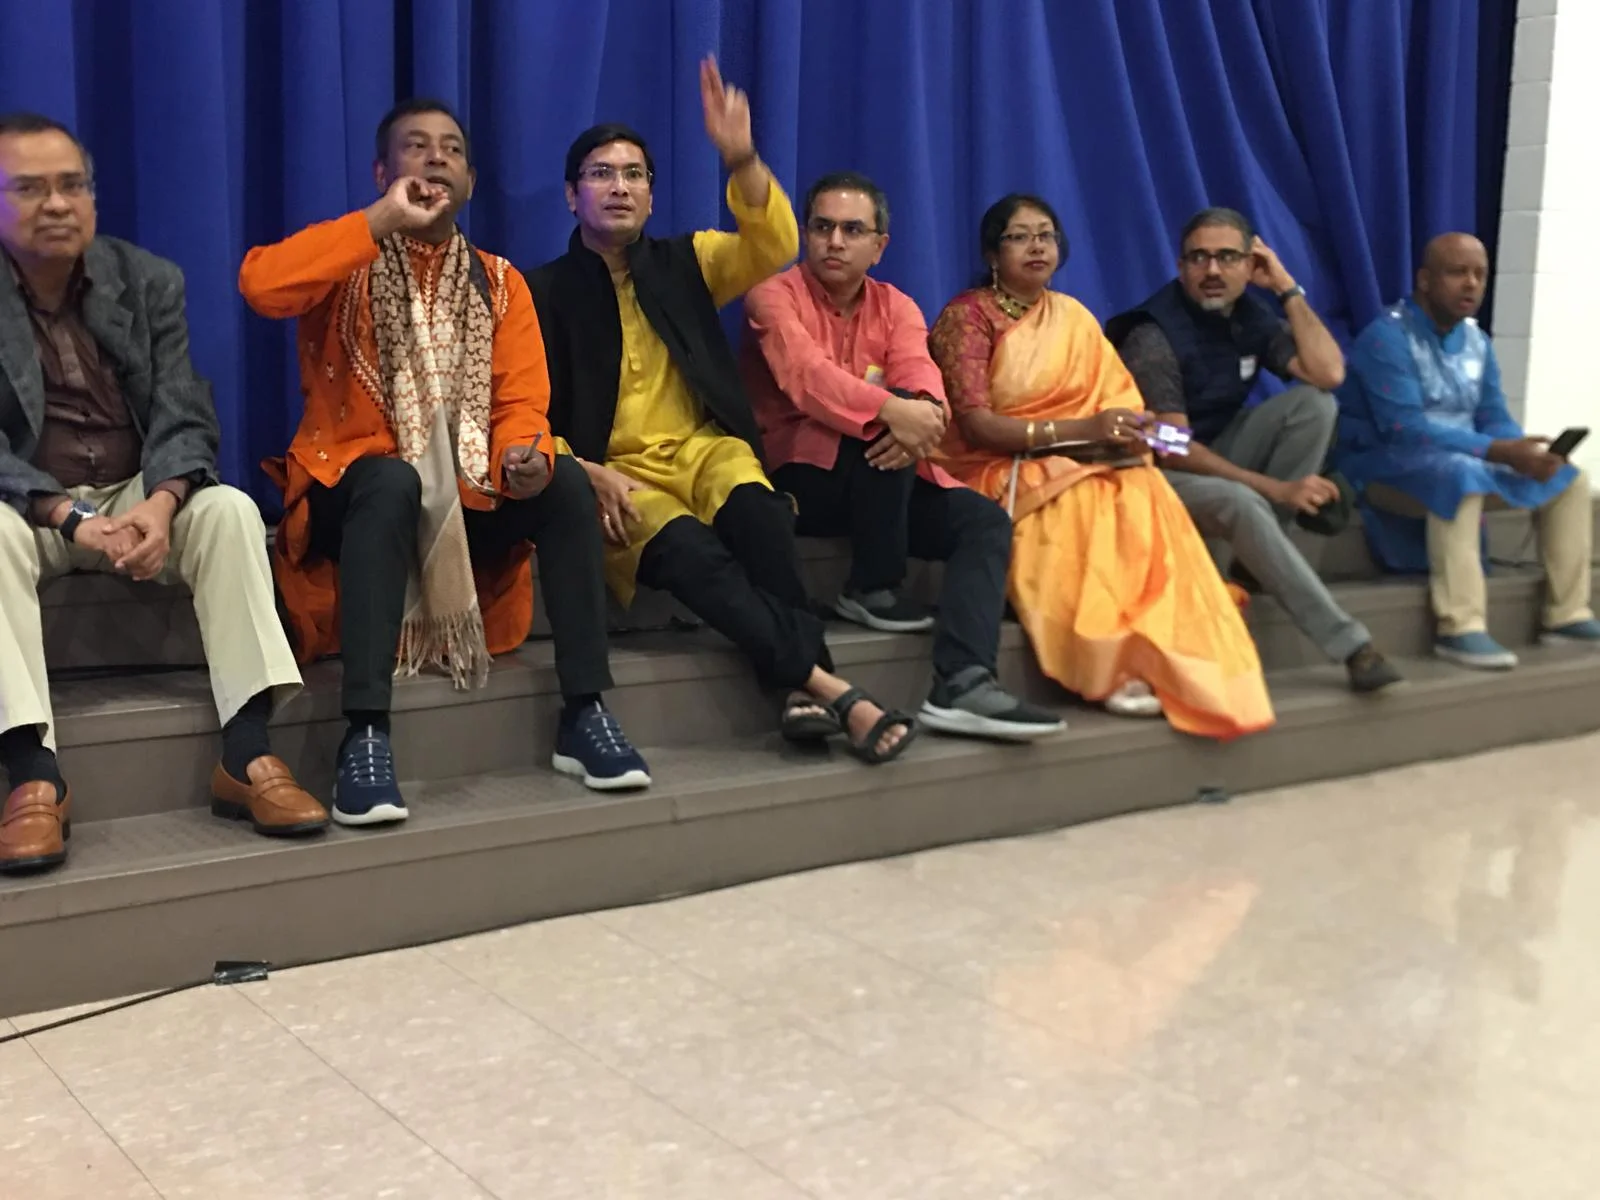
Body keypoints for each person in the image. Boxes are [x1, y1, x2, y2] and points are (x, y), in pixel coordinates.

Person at [240, 98, 650, 824]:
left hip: (469, 495)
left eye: (452, 149)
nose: (437, 158)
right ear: (382, 172)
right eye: (417, 146)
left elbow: (521, 402)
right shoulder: (345, 258)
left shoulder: (500, 281)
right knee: (391, 479)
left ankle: (584, 711)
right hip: (356, 493)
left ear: (471, 180)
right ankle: (365, 734)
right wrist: (380, 222)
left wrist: (524, 454)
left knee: (564, 484)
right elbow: (261, 285)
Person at [528, 59, 916, 764]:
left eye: (635, 174)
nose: (620, 186)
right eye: (601, 174)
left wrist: (741, 158)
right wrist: (581, 471)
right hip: (618, 475)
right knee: (696, 559)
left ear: (652, 196)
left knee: (763, 517)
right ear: (570, 195)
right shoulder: (538, 292)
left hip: (706, 450)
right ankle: (828, 688)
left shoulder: (692, 260)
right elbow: (521, 412)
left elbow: (774, 244)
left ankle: (808, 691)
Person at [0, 113, 324, 873]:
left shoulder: (146, 280)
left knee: (230, 511)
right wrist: (66, 515)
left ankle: (247, 753)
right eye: (31, 189)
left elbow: (185, 409)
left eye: (72, 185)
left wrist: (163, 501)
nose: (57, 204)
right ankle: (32, 775)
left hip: (134, 494)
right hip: (29, 507)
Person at [927, 193, 1273, 739]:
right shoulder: (967, 317)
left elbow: (1121, 405)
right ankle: (1110, 662)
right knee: (1080, 496)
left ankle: (1159, 647)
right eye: (1019, 236)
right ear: (993, 253)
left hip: (1079, 459)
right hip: (997, 467)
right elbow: (976, 427)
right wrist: (1082, 434)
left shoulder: (1074, 318)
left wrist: (1128, 434)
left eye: (1046, 235)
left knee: (1140, 485)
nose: (1036, 246)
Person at [741, 171, 1063, 741]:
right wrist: (895, 411)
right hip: (800, 478)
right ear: (805, 234)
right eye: (822, 227)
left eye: (852, 230)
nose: (835, 241)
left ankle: (963, 681)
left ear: (879, 245)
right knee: (881, 429)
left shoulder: (897, 305)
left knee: (983, 522)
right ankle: (871, 585)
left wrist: (924, 411)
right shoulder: (773, 296)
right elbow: (807, 380)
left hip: (880, 484)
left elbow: (921, 371)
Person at [1107, 207, 1403, 694]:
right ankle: (1351, 645)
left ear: (1251, 265)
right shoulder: (1152, 333)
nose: (1213, 270)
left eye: (1227, 257)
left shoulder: (1247, 316)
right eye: (1199, 258)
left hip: (1214, 454)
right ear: (1181, 267)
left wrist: (1287, 288)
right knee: (1242, 500)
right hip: (1148, 475)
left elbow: (1329, 373)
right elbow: (1170, 446)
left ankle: (1256, 558)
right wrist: (1275, 489)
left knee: (1315, 406)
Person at [1337, 232, 1598, 669]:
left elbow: (1492, 416)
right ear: (1425, 280)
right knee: (1458, 475)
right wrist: (1500, 450)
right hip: (1384, 466)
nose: (1472, 284)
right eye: (1458, 272)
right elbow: (1405, 430)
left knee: (1570, 478)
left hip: (1465, 458)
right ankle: (1460, 627)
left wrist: (1523, 451)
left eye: (1480, 274)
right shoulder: (1387, 337)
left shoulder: (1477, 340)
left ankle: (1566, 614)